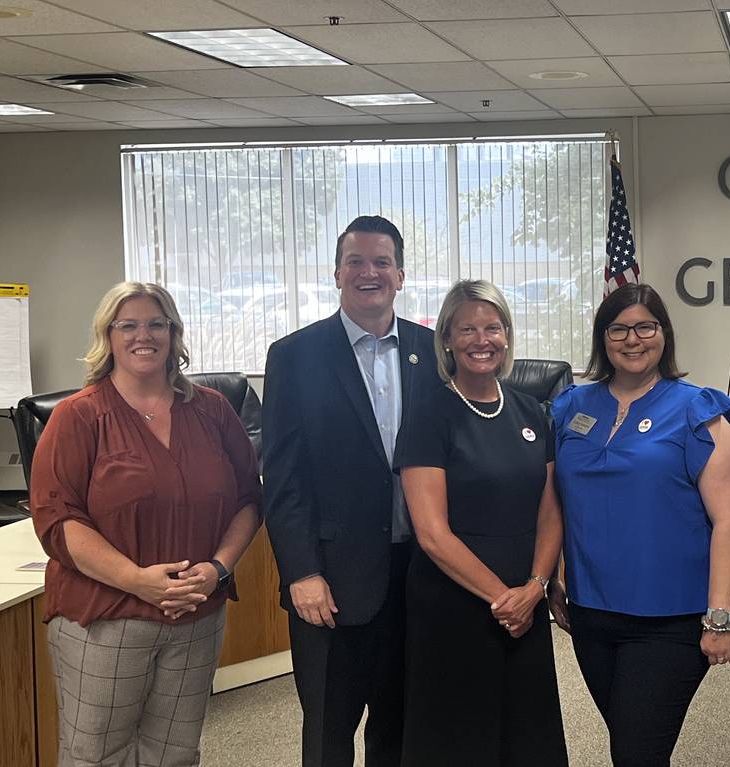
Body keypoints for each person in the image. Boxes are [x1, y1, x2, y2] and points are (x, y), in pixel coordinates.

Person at [31, 281, 262, 767]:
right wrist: (138, 581)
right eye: (129, 325)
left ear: (174, 334)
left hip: (197, 617)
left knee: (175, 755)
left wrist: (219, 569)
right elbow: (57, 519)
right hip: (108, 617)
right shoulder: (79, 417)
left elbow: (248, 498)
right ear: (108, 336)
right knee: (96, 756)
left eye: (157, 324)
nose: (145, 335)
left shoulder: (213, 410)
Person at [261, 215, 437, 767]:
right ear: (336, 274)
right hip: (332, 582)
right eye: (356, 262)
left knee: (402, 725)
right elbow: (284, 480)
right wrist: (301, 573)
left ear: (401, 275)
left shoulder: (433, 352)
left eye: (381, 262)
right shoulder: (294, 356)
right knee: (329, 731)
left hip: (418, 576)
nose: (369, 273)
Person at [550, 282, 730, 766]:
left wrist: (720, 618)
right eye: (618, 328)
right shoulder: (571, 408)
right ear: (602, 337)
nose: (632, 339)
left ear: (664, 334)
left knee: (637, 753)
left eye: (645, 326)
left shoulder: (698, 409)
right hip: (591, 614)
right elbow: (552, 502)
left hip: (668, 622)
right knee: (631, 747)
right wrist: (549, 576)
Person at [396, 279, 568, 767]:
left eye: (492, 327)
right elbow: (430, 533)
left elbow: (550, 508)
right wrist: (504, 598)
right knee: (457, 740)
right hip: (454, 604)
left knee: (527, 736)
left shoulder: (531, 410)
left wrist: (535, 587)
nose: (481, 339)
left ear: (507, 336)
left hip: (525, 605)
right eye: (466, 328)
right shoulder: (429, 412)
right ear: (447, 339)